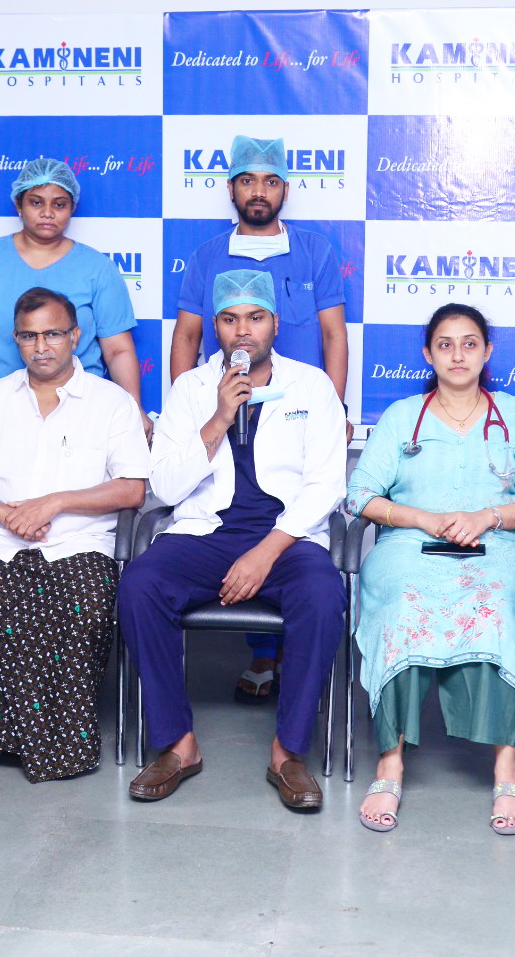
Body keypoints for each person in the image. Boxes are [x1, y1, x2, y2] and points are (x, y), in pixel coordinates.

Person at [119, 269, 347, 810]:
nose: (243, 330)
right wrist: (219, 418)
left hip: (286, 538)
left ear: (275, 323)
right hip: (207, 532)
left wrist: (266, 552)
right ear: (215, 327)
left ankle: (288, 753)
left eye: (255, 317)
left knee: (322, 595)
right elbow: (164, 486)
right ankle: (178, 744)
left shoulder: (311, 384)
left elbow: (327, 484)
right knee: (139, 585)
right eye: (229, 319)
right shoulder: (190, 390)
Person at [344, 304, 515, 835]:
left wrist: (487, 517)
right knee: (404, 606)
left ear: (487, 352)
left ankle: (506, 764)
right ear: (428, 354)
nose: (457, 355)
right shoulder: (402, 417)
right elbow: (360, 495)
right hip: (409, 546)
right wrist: (423, 518)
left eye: (469, 343)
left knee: (488, 607)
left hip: (494, 546)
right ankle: (390, 761)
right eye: (445, 344)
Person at [0, 287, 149, 782]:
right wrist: (0, 511)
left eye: (53, 334)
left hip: (78, 542)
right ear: (16, 340)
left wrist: (55, 502)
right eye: (29, 336)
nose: (41, 346)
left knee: (78, 605)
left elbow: (133, 488)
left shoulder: (111, 402)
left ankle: (51, 742)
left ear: (76, 336)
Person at [169, 135, 351, 704]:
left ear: (285, 190)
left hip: (294, 407)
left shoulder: (315, 250)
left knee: (283, 504)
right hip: (226, 405)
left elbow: (333, 335)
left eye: (270, 181)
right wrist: (188, 408)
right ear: (231, 188)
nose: (258, 191)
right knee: (235, 502)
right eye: (247, 180)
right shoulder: (207, 255)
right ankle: (262, 653)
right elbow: (188, 336)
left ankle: (282, 664)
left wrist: (334, 409)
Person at [0, 158, 145, 429]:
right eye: (36, 202)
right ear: (19, 205)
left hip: (81, 416)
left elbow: (118, 350)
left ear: (72, 207)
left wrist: (133, 410)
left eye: (59, 204)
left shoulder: (98, 268)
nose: (47, 212)